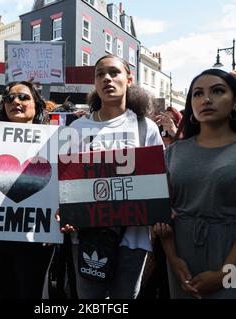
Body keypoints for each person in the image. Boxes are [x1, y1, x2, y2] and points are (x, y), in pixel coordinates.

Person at [157, 69, 236, 299]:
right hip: (183, 259)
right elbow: (162, 214)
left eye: (217, 91)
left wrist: (224, 275)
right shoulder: (172, 153)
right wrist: (174, 260)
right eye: (197, 94)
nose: (206, 99)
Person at [60, 54, 164, 299]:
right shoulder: (76, 129)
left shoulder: (145, 127)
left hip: (132, 239)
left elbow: (159, 179)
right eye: (100, 74)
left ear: (129, 80)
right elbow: (65, 183)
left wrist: (159, 213)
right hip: (86, 237)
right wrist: (65, 212)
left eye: (114, 72)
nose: (106, 78)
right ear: (95, 84)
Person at [0, 81, 54, 298]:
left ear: (37, 106)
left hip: (36, 233)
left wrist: (56, 217)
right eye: (10, 98)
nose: (16, 102)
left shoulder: (53, 141)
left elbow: (62, 187)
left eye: (23, 97)